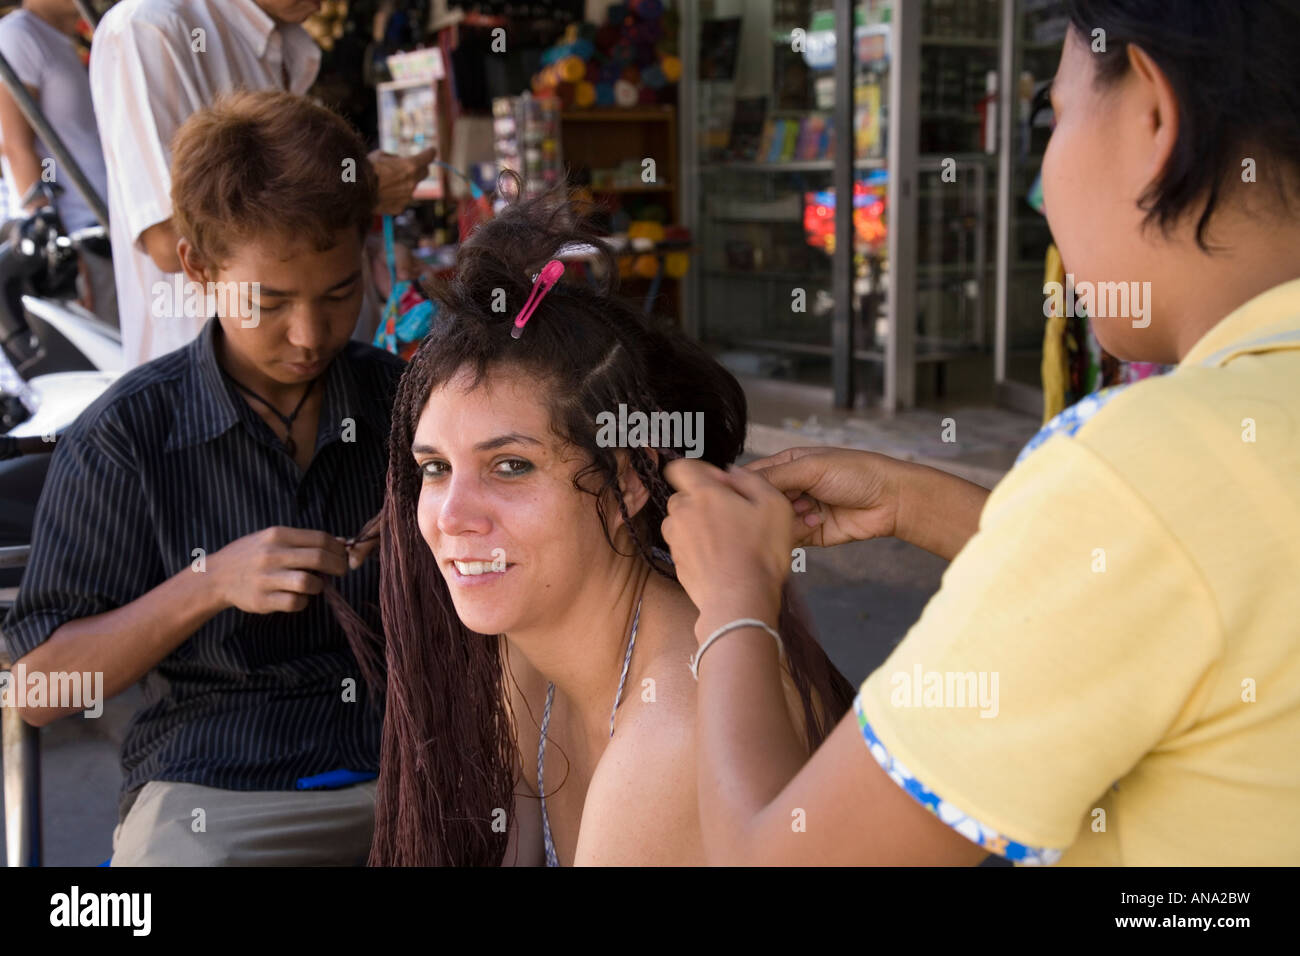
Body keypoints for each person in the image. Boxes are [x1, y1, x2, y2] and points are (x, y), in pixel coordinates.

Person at [661, 0, 1300, 866]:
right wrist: (918, 501)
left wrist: (734, 601)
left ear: (1152, 114)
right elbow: (1172, 582)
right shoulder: (1204, 465)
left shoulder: (1142, 470)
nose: (1043, 176)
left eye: (1059, 112)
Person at [361, 180, 854, 866]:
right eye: (436, 468)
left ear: (626, 480)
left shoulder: (673, 731)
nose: (451, 517)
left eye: (510, 468)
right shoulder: (530, 641)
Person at [2, 90, 399, 865]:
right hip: (215, 785)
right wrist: (207, 584)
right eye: (270, 300)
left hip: (409, 764)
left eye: (340, 293)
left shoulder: (411, 410)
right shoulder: (125, 439)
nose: (310, 334)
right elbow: (39, 695)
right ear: (197, 266)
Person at [89, 0, 436, 366]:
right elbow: (167, 237)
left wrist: (365, 250)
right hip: (218, 383)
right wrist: (356, 189)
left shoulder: (282, 38)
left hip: (325, 378)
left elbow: (292, 222)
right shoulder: (149, 28)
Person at [0, 0, 116, 324]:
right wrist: (54, 240)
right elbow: (18, 145)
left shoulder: (72, 40)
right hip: (81, 237)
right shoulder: (19, 35)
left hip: (110, 229)